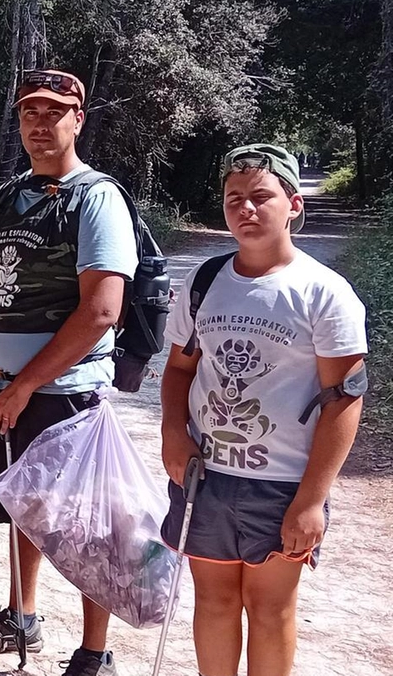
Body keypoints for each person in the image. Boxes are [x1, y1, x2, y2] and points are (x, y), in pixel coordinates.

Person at [0, 70, 136, 676]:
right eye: (29, 112)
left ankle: (94, 651)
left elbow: (101, 310)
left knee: (85, 523)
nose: (38, 124)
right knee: (21, 509)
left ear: (77, 119)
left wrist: (25, 383)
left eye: (53, 113)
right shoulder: (5, 198)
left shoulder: (97, 198)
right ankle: (21, 614)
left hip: (64, 390)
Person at [159, 145, 366, 676]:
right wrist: (172, 434)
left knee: (270, 610)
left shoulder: (325, 293)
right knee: (215, 602)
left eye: (261, 197)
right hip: (206, 477)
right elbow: (180, 370)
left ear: (293, 204)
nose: (246, 209)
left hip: (282, 485)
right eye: (234, 200)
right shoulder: (205, 283)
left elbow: (344, 398)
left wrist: (312, 500)